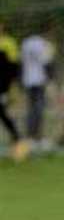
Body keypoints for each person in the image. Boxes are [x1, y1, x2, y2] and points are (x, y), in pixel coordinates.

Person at [20, 31, 53, 149]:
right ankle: (36, 137)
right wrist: (50, 78)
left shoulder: (25, 43)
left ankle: (29, 136)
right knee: (39, 110)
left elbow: (22, 62)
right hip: (39, 80)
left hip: (28, 80)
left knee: (31, 109)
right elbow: (46, 62)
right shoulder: (43, 43)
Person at [0, 24, 28, 161]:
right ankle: (18, 140)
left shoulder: (8, 43)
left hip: (2, 86)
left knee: (3, 114)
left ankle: (18, 141)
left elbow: (12, 67)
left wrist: (8, 87)